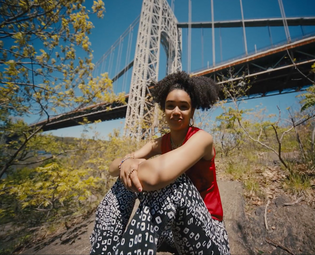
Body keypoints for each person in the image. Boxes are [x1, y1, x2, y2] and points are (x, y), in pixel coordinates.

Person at [90, 71, 230, 255]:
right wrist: (126, 162)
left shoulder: (202, 139)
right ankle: (102, 252)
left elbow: (156, 175)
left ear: (192, 110)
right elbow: (112, 168)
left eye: (183, 106)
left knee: (175, 184)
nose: (176, 112)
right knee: (124, 179)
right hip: (173, 232)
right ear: (164, 109)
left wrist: (133, 164)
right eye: (170, 106)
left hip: (209, 236)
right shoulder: (159, 142)